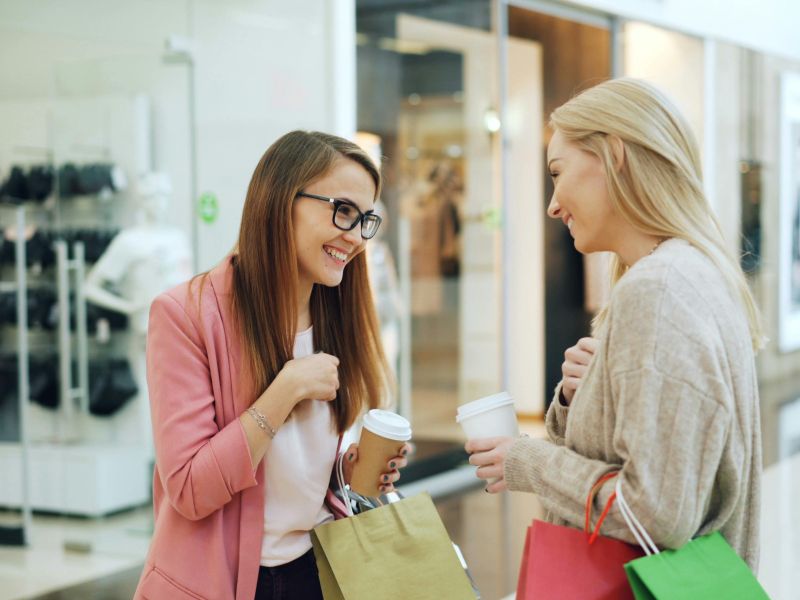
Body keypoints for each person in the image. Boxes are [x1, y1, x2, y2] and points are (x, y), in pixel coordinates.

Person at [466, 78, 763, 571]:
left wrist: (529, 461)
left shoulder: (659, 290)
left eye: (558, 173)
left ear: (613, 156)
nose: (553, 203)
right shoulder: (692, 273)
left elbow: (655, 513)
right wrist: (588, 393)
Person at [134, 131, 410, 600]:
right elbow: (189, 489)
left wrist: (349, 470)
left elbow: (293, 470)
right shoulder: (185, 316)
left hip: (318, 570)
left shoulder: (335, 315)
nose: (354, 235)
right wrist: (286, 390)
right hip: (225, 582)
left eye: (365, 220)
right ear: (282, 199)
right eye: (343, 210)